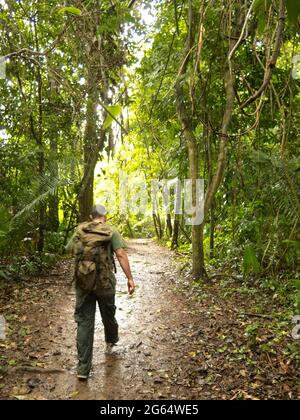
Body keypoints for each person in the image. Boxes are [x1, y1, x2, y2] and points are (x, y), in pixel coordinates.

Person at [72, 204, 135, 380]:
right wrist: (129, 278)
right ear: (104, 216)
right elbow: (121, 254)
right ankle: (111, 339)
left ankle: (83, 369)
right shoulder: (111, 231)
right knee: (108, 312)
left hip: (83, 282)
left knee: (84, 322)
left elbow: (71, 251)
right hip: (105, 283)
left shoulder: (80, 230)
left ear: (91, 217)